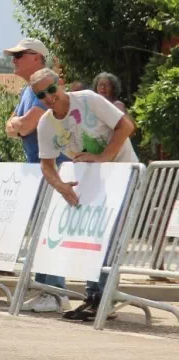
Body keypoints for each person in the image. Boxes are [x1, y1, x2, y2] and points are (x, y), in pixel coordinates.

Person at [31, 67, 138, 322]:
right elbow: (47, 164)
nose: (48, 97)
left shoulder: (89, 99)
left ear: (61, 83)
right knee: (94, 239)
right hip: (90, 183)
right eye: (41, 95)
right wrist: (61, 186)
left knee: (109, 239)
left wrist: (103, 157)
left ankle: (103, 298)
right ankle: (95, 297)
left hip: (122, 175)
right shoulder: (46, 123)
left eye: (51, 89)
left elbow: (126, 126)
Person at [1, 38, 70, 312]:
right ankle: (48, 290)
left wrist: (18, 124)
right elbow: (11, 125)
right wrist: (18, 124)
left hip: (54, 169)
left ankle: (54, 292)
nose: (13, 60)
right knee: (43, 232)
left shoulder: (45, 88)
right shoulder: (28, 90)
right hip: (43, 169)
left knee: (50, 231)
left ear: (36, 57)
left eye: (19, 55)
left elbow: (25, 125)